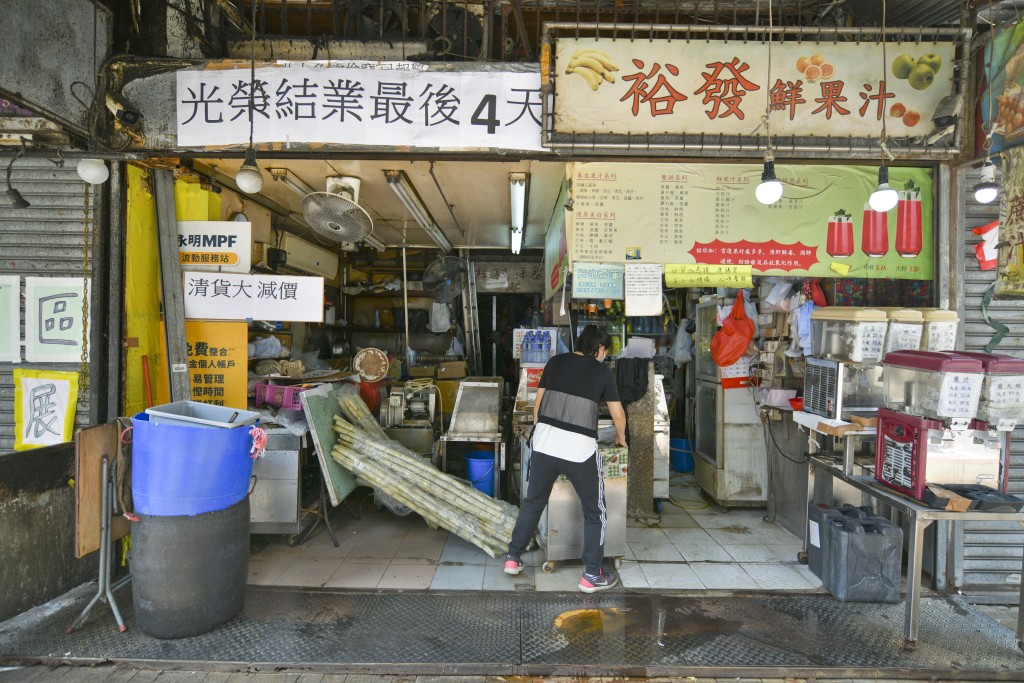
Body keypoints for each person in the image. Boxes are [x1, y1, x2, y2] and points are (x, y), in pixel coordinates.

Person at [503, 324, 628, 593]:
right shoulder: (602, 371)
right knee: (595, 512)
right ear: (601, 348)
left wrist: (545, 435)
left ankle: (513, 558)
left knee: (533, 502)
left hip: (544, 446)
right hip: (579, 452)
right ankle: (592, 575)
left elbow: (538, 406)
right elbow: (618, 415)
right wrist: (621, 437)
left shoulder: (555, 362)